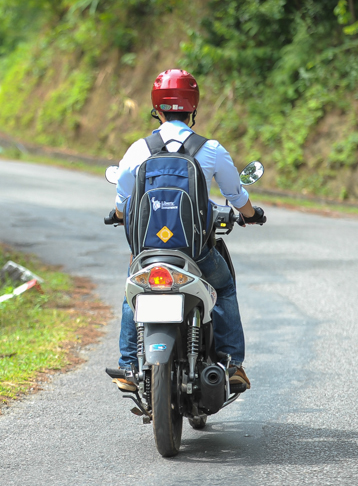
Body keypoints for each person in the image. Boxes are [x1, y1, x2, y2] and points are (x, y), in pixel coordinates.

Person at [109, 68, 265, 393]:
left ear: (157, 107)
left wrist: (117, 213)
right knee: (223, 289)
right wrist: (252, 214)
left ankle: (127, 366)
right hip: (195, 253)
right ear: (193, 107)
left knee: (131, 293)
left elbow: (123, 195)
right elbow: (236, 195)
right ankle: (232, 364)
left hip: (149, 253)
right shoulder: (210, 149)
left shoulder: (140, 149)